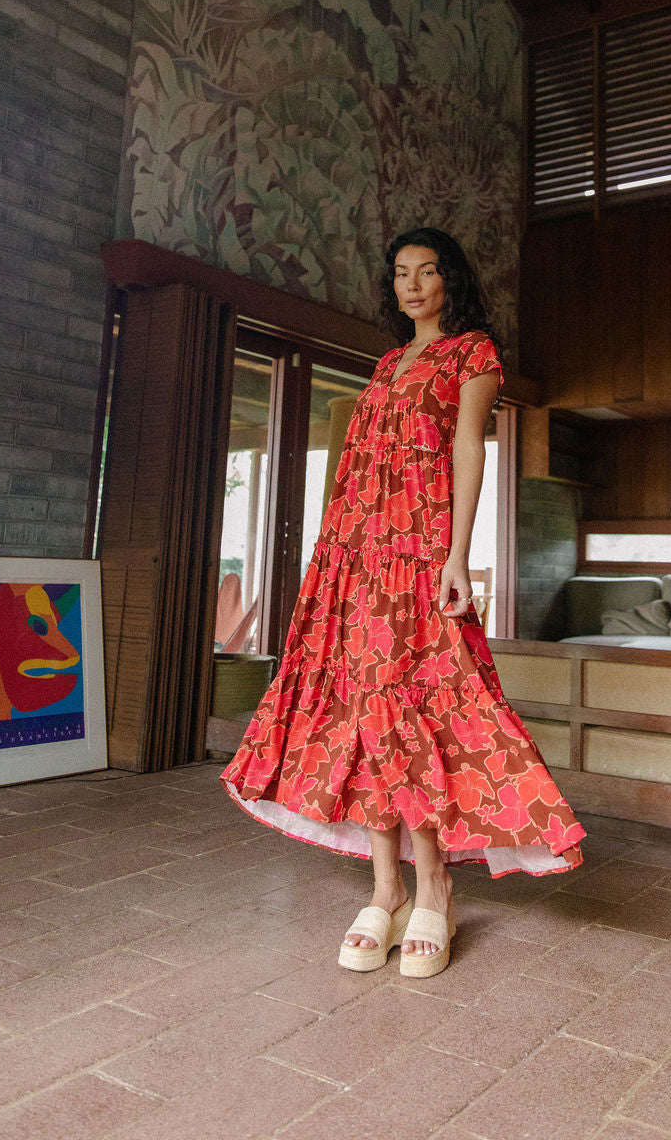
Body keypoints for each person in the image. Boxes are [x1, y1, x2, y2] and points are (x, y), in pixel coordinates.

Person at [221, 228, 585, 977]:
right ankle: (384, 892)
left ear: (449, 280)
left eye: (426, 271)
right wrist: (333, 555)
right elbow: (359, 467)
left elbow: (467, 450)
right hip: (355, 556)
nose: (412, 285)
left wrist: (454, 554)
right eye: (400, 274)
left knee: (419, 707)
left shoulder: (472, 353)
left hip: (419, 552)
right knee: (363, 710)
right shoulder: (388, 364)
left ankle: (435, 888)